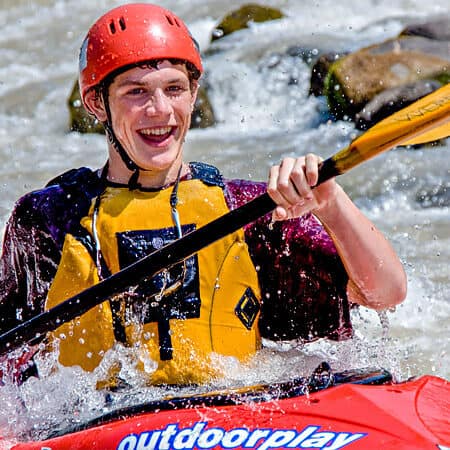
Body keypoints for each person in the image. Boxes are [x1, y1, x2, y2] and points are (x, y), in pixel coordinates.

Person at [0, 3, 406, 386]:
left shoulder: (247, 211)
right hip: (98, 425)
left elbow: (385, 293)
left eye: (174, 89)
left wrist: (331, 203)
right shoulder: (51, 218)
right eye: (136, 92)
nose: (160, 110)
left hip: (229, 422)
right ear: (96, 103)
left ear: (194, 95)